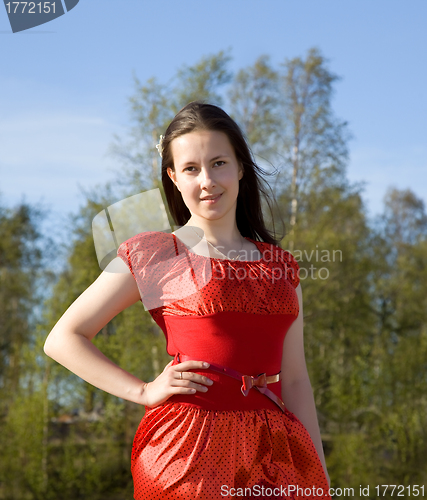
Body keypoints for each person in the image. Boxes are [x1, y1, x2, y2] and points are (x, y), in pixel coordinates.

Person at [44, 101, 331, 499]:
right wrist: (142, 391)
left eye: (218, 163)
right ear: (174, 178)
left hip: (276, 451)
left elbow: (296, 380)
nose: (207, 180)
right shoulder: (155, 253)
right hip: (188, 453)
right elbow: (63, 338)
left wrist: (320, 477)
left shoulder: (281, 266)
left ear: (241, 168)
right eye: (191, 168)